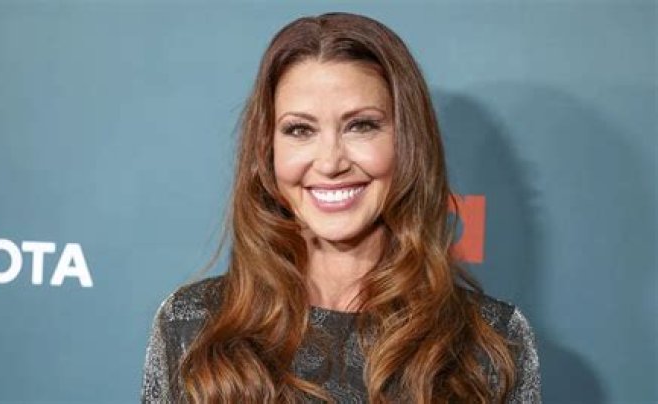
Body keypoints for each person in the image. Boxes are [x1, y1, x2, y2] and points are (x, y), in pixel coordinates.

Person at [141, 12, 541, 404]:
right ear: (268, 151)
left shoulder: (490, 342)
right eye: (300, 130)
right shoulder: (193, 327)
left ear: (407, 142)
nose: (331, 162)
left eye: (361, 125)